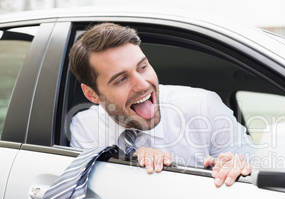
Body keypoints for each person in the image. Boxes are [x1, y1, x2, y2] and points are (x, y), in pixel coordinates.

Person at [68, 22, 255, 187]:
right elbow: (91, 191)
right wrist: (133, 167)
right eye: (121, 79)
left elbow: (260, 168)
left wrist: (241, 166)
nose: (143, 84)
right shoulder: (85, 126)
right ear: (92, 94)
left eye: (142, 67)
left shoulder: (202, 106)